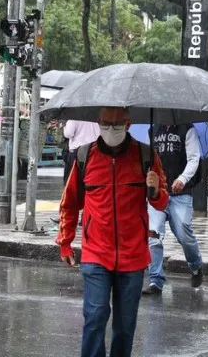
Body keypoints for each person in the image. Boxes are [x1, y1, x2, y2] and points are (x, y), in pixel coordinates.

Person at [57, 107, 169, 357]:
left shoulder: (146, 155)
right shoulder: (85, 156)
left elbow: (161, 203)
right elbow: (69, 202)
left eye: (117, 124)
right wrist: (65, 242)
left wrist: (155, 189)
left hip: (133, 255)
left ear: (128, 124)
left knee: (125, 326)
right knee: (95, 316)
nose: (111, 129)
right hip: (96, 252)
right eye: (106, 123)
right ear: (98, 122)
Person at [143, 124, 205, 295]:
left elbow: (194, 158)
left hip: (181, 193)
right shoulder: (153, 130)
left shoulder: (187, 130)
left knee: (184, 234)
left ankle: (195, 265)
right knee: (153, 234)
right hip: (158, 193)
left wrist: (183, 179)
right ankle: (155, 279)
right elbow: (149, 161)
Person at [62, 120, 101, 185]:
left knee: (73, 179)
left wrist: (64, 127)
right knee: (91, 177)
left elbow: (68, 133)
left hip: (77, 151)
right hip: (93, 149)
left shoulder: (74, 117)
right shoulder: (97, 116)